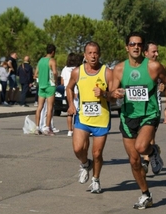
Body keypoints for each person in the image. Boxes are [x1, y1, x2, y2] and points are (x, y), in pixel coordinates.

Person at [111, 32, 166, 209]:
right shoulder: (119, 69)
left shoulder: (154, 67)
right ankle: (146, 195)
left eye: (139, 44)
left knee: (140, 147)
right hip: (127, 116)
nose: (135, 47)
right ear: (126, 47)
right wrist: (112, 94)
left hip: (149, 114)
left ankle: (151, 151)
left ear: (143, 48)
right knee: (134, 161)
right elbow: (111, 95)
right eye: (132, 44)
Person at [66, 41, 113, 194]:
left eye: (96, 53)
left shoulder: (107, 72)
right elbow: (69, 88)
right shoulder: (77, 72)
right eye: (90, 53)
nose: (93, 56)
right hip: (83, 117)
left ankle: (96, 180)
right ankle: (86, 164)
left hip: (101, 118)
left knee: (97, 153)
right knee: (78, 148)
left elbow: (114, 97)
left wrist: (104, 94)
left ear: (99, 54)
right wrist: (71, 105)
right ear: (85, 55)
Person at [141, 41, 166, 173]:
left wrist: (163, 87)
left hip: (154, 105)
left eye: (157, 52)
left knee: (149, 132)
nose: (156, 54)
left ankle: (146, 160)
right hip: (137, 106)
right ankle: (153, 151)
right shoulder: (135, 67)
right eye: (154, 52)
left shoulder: (160, 67)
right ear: (145, 53)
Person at [34, 44, 58, 136]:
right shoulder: (52, 61)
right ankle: (47, 128)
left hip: (41, 86)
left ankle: (37, 127)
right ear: (53, 52)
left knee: (39, 107)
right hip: (50, 86)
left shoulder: (40, 61)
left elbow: (35, 74)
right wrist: (55, 81)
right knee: (49, 108)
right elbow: (55, 72)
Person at [61, 53, 83, 137]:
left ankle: (69, 130)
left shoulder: (64, 69)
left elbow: (62, 82)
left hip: (67, 92)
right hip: (76, 91)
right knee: (78, 112)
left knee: (69, 112)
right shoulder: (77, 69)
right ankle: (77, 129)